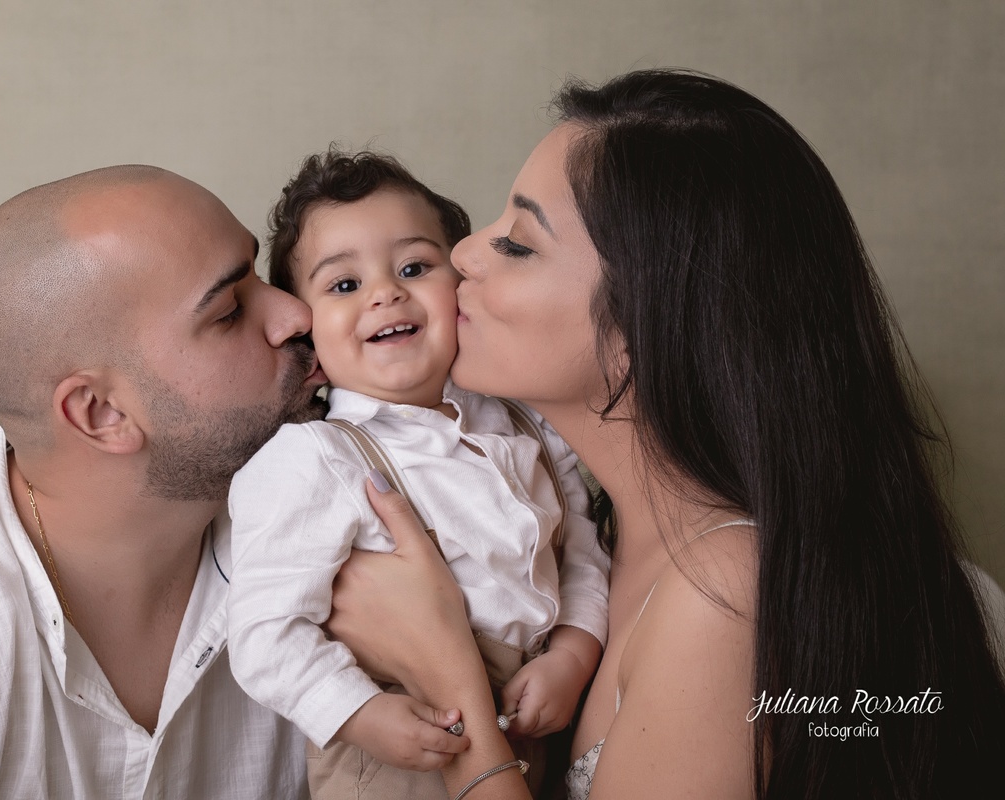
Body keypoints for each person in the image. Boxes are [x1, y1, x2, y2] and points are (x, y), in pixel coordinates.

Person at [327, 69, 1005, 799]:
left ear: (644, 329)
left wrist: (445, 675)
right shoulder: (588, 528)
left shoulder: (721, 596)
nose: (462, 254)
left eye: (518, 243)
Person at [0, 165, 337, 798]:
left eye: (259, 274)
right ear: (101, 414)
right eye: (228, 312)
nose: (297, 313)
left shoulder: (336, 516)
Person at [225, 149, 609, 798]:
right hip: (394, 750)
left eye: (414, 267)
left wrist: (572, 654)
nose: (385, 293)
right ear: (308, 339)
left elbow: (583, 554)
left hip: (526, 724)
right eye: (343, 286)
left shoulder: (529, 424)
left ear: (462, 287)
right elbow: (264, 634)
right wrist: (358, 712)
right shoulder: (314, 460)